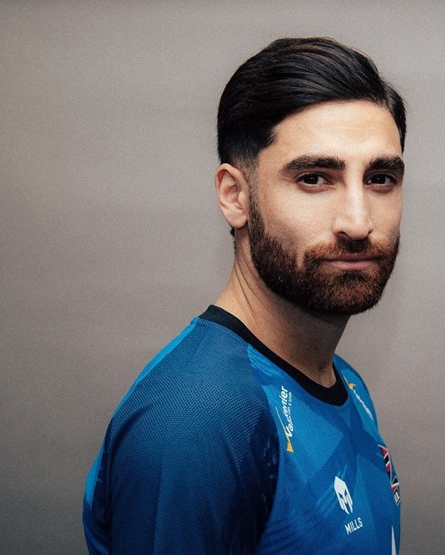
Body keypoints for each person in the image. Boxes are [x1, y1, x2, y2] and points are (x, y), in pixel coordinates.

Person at [83, 36, 406, 554]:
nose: (358, 221)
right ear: (235, 196)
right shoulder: (200, 420)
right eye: (314, 178)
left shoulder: (345, 382)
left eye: (380, 178)